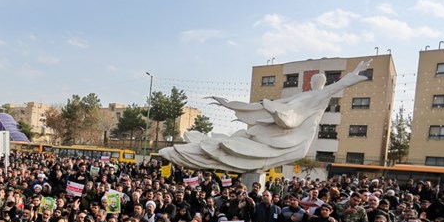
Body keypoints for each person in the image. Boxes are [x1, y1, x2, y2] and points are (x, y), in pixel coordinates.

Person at [159, 61, 373, 171]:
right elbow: (278, 108)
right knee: (257, 148)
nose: (320, 85)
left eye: (320, 82)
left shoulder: (316, 95)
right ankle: (206, 151)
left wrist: (355, 74)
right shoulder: (309, 95)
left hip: (296, 137)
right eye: (318, 82)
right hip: (289, 135)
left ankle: (223, 150)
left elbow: (339, 85)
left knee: (293, 152)